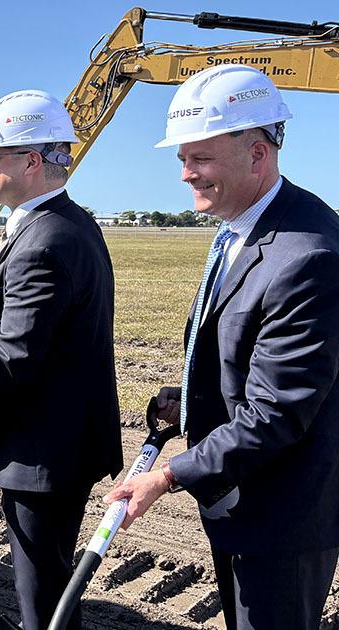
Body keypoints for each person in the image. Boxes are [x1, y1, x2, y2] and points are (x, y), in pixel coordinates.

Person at [105, 65, 339, 630]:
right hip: (239, 501)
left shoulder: (307, 254)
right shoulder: (241, 228)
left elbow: (276, 411)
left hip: (281, 515)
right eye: (182, 158)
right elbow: (239, 350)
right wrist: (187, 395)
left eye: (201, 158)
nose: (186, 174)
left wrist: (167, 476)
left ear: (257, 153)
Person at [0, 91, 121, 630]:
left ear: (31, 161)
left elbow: (14, 355)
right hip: (61, 442)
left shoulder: (45, 240)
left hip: (45, 452)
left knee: (43, 596)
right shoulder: (64, 223)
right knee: (51, 588)